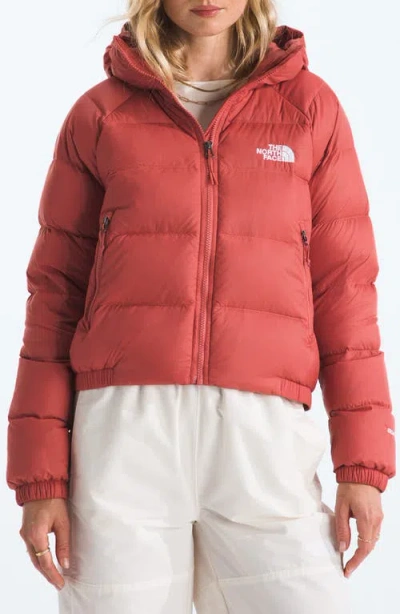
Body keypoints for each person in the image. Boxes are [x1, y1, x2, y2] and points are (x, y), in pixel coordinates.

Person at [6, 1, 396, 612]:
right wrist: (41, 480)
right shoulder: (100, 116)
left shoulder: (309, 110)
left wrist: (362, 465)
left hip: (263, 440)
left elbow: (345, 292)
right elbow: (54, 298)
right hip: (123, 439)